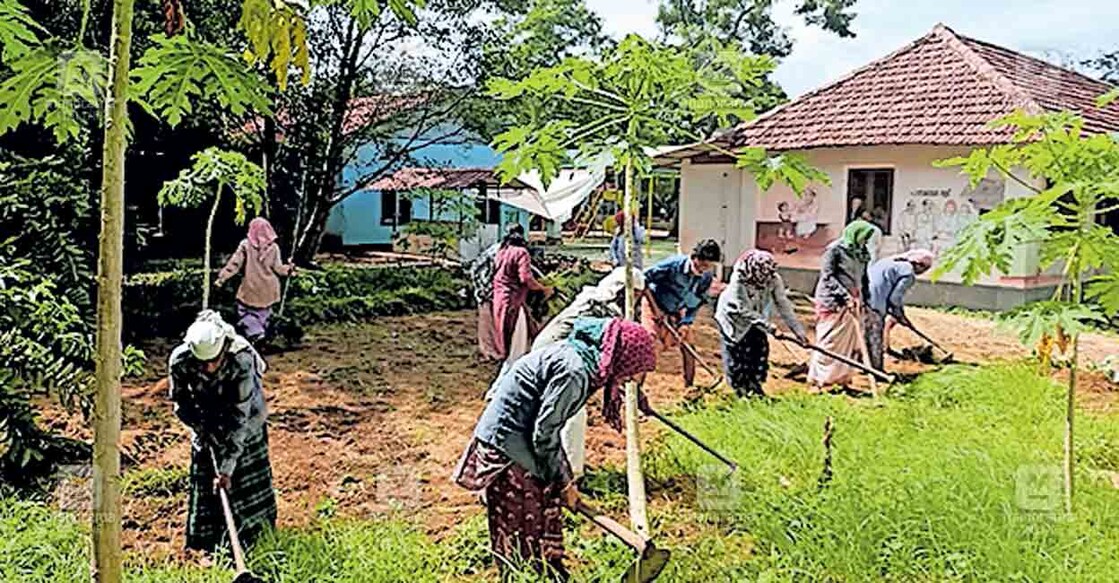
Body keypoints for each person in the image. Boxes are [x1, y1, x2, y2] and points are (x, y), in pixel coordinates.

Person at [454, 318, 657, 581]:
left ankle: (548, 570)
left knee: (542, 507)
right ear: (621, 358)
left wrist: (562, 478)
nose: (631, 377)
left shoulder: (586, 356)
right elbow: (544, 433)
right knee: (522, 521)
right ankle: (523, 574)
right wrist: (564, 482)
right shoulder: (574, 373)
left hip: (523, 436)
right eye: (632, 370)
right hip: (508, 445)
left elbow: (546, 431)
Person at [168, 310, 275, 553]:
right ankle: (206, 541)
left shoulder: (241, 360)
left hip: (246, 420)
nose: (208, 368)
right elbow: (180, 402)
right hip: (207, 419)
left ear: (224, 348)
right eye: (202, 363)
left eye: (214, 360)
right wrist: (200, 429)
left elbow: (240, 417)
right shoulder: (181, 360)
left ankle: (253, 534)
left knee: (241, 477)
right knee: (206, 479)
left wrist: (227, 468)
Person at [531, 267, 645, 479]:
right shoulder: (601, 309)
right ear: (622, 291)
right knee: (571, 414)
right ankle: (571, 474)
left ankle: (565, 465)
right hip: (556, 356)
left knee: (562, 413)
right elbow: (609, 357)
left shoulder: (598, 302)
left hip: (562, 356)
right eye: (635, 295)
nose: (637, 301)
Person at [715, 250, 807, 397]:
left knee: (759, 351)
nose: (764, 283)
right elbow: (742, 309)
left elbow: (782, 303)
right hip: (734, 319)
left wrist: (798, 331)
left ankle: (755, 387)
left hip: (758, 318)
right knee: (738, 354)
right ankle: (740, 390)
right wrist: (769, 327)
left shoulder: (773, 278)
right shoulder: (739, 280)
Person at [641, 239, 721, 388]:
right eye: (701, 263)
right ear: (694, 257)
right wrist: (656, 310)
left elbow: (697, 302)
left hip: (676, 311)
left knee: (688, 344)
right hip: (654, 305)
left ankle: (689, 387)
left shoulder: (706, 277)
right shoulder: (672, 265)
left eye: (709, 265)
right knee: (650, 343)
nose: (703, 268)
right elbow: (643, 280)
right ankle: (636, 388)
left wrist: (686, 322)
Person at [807, 220, 876, 389]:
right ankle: (820, 379)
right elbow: (827, 277)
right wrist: (845, 297)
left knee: (847, 343)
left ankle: (840, 378)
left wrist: (866, 299)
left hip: (854, 301)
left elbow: (864, 278)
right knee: (829, 340)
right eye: (863, 237)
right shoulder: (835, 250)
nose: (865, 241)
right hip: (833, 301)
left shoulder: (862, 252)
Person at [215, 217, 295, 344]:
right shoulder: (274, 248)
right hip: (269, 288)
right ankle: (261, 333)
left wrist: (222, 278)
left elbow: (235, 264)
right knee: (264, 313)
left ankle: (256, 333)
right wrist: (289, 269)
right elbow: (278, 268)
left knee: (245, 311)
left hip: (251, 286)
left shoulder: (246, 245)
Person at [492, 224, 553, 375]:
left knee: (505, 337)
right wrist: (544, 288)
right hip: (514, 301)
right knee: (517, 344)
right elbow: (526, 278)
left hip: (499, 300)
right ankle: (509, 376)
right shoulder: (521, 252)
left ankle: (506, 370)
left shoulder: (501, 251)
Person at [865, 250, 935, 370]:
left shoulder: (888, 261)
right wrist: (900, 315)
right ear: (919, 265)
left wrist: (897, 314)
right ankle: (875, 370)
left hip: (862, 299)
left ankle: (863, 365)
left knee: (863, 335)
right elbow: (895, 298)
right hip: (875, 304)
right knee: (875, 337)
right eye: (925, 269)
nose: (923, 272)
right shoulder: (908, 274)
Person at [470, 229, 508, 362]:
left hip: (486, 285)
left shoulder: (500, 249)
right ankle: (489, 351)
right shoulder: (499, 252)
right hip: (485, 286)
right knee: (488, 320)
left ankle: (492, 349)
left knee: (490, 320)